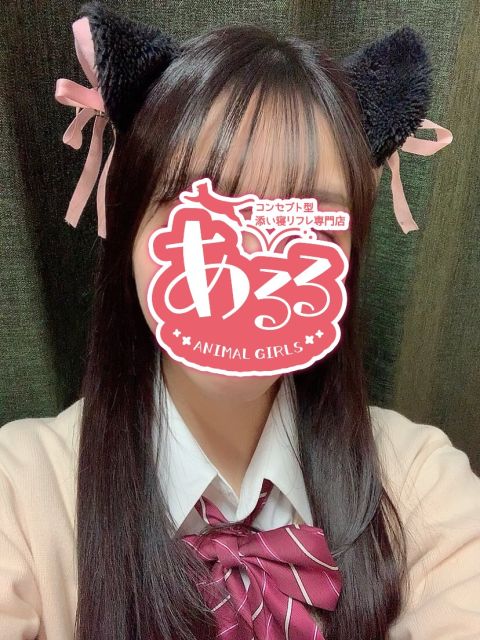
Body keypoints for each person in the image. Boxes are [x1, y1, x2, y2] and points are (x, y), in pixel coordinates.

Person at [0, 2, 479, 639]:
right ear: (131, 231)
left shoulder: (422, 483)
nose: (251, 264)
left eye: (303, 223)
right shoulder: (20, 491)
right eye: (206, 221)